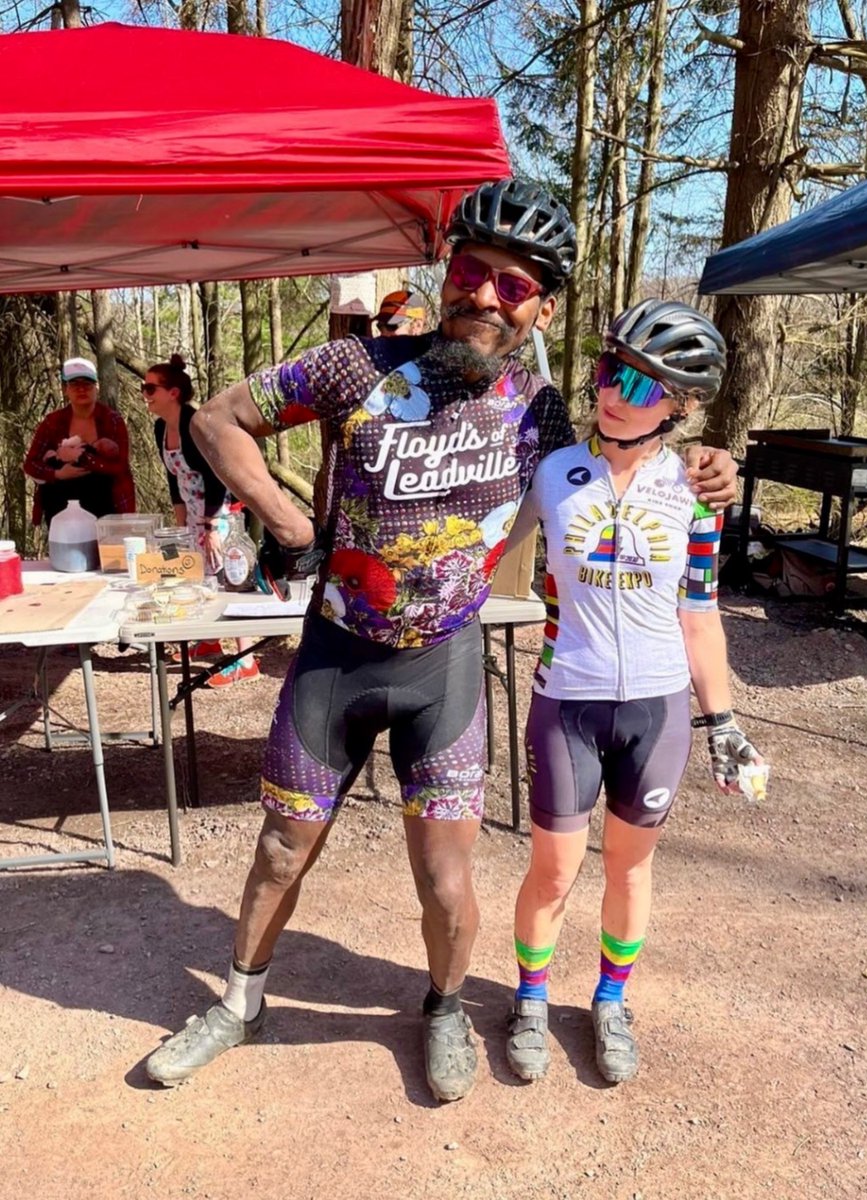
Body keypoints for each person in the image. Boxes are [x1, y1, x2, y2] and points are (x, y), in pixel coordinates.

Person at [143, 179, 739, 1101]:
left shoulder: (541, 412)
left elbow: (626, 454)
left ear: (541, 306)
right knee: (276, 851)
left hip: (445, 667)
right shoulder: (357, 368)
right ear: (443, 270)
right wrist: (288, 523)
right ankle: (239, 1004)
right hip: (337, 655)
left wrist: (713, 465)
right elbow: (219, 419)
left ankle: (446, 1007)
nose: (485, 294)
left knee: (447, 878)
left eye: (514, 285)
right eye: (471, 271)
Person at [501, 300, 765, 1085]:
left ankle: (611, 1002)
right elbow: (483, 550)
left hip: (656, 711)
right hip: (567, 700)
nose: (615, 393)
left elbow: (701, 615)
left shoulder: (695, 493)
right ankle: (530, 999)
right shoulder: (552, 471)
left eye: (643, 386)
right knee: (552, 868)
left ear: (680, 406)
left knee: (629, 869)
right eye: (610, 371)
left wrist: (723, 721)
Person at [144, 354, 259, 687]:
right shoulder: (160, 427)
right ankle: (208, 638)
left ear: (173, 392)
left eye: (151, 388)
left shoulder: (198, 425)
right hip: (193, 514)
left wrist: (210, 527)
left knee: (228, 577)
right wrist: (181, 529)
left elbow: (215, 478)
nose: (146, 394)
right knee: (198, 575)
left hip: (220, 510)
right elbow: (172, 478)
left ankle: (245, 659)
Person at [23, 357, 135, 527]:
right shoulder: (52, 422)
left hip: (106, 506)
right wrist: (58, 474)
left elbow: (120, 467)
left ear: (96, 387)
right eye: (75, 384)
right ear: (65, 389)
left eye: (87, 384)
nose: (82, 389)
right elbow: (30, 464)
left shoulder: (112, 420)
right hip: (60, 508)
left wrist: (81, 457)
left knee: (107, 553)